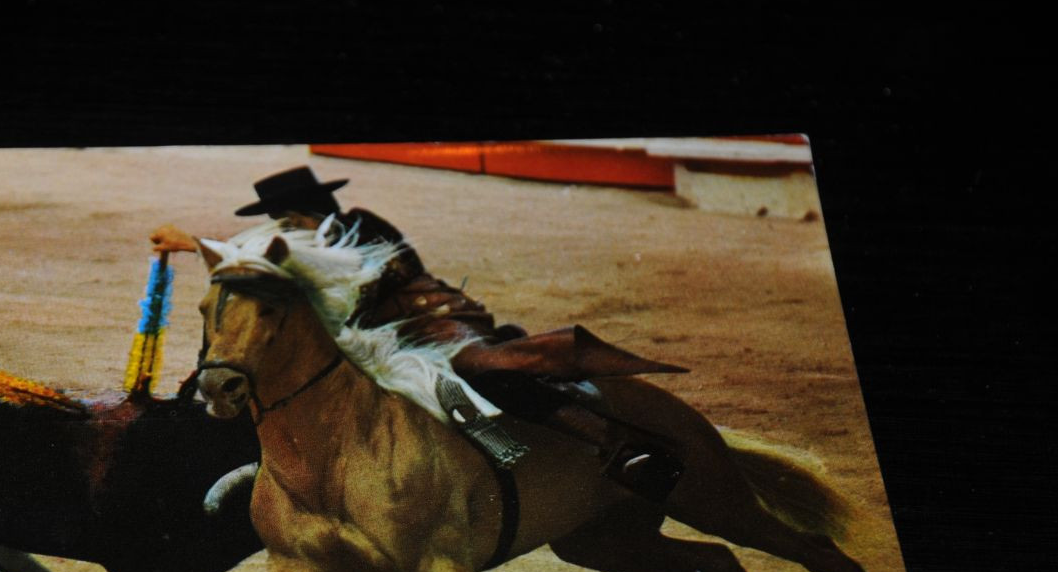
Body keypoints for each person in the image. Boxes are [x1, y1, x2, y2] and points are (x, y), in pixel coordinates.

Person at [161, 166, 687, 501]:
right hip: (369, 339)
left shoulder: (360, 228)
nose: (282, 228)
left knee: (479, 372)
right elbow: (254, 266)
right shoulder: (301, 244)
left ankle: (618, 447)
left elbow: (337, 277)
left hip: (428, 327)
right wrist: (192, 244)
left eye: (285, 218)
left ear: (302, 213)